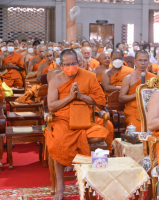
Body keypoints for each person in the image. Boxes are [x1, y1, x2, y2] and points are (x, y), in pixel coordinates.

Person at [46, 49, 109, 199]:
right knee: (58, 140)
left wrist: (81, 96)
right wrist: (70, 97)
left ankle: (94, 180)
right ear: (61, 65)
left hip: (85, 119)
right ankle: (61, 187)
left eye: (73, 63)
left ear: (79, 62)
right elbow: (52, 106)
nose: (71, 66)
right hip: (63, 121)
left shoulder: (89, 77)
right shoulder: (56, 80)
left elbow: (100, 102)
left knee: (104, 132)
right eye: (67, 64)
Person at [119, 50, 156, 131]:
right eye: (140, 60)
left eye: (145, 60)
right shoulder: (128, 78)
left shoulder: (153, 78)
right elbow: (121, 98)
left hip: (151, 110)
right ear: (135, 61)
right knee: (138, 129)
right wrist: (138, 94)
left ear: (148, 62)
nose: (143, 63)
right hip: (133, 111)